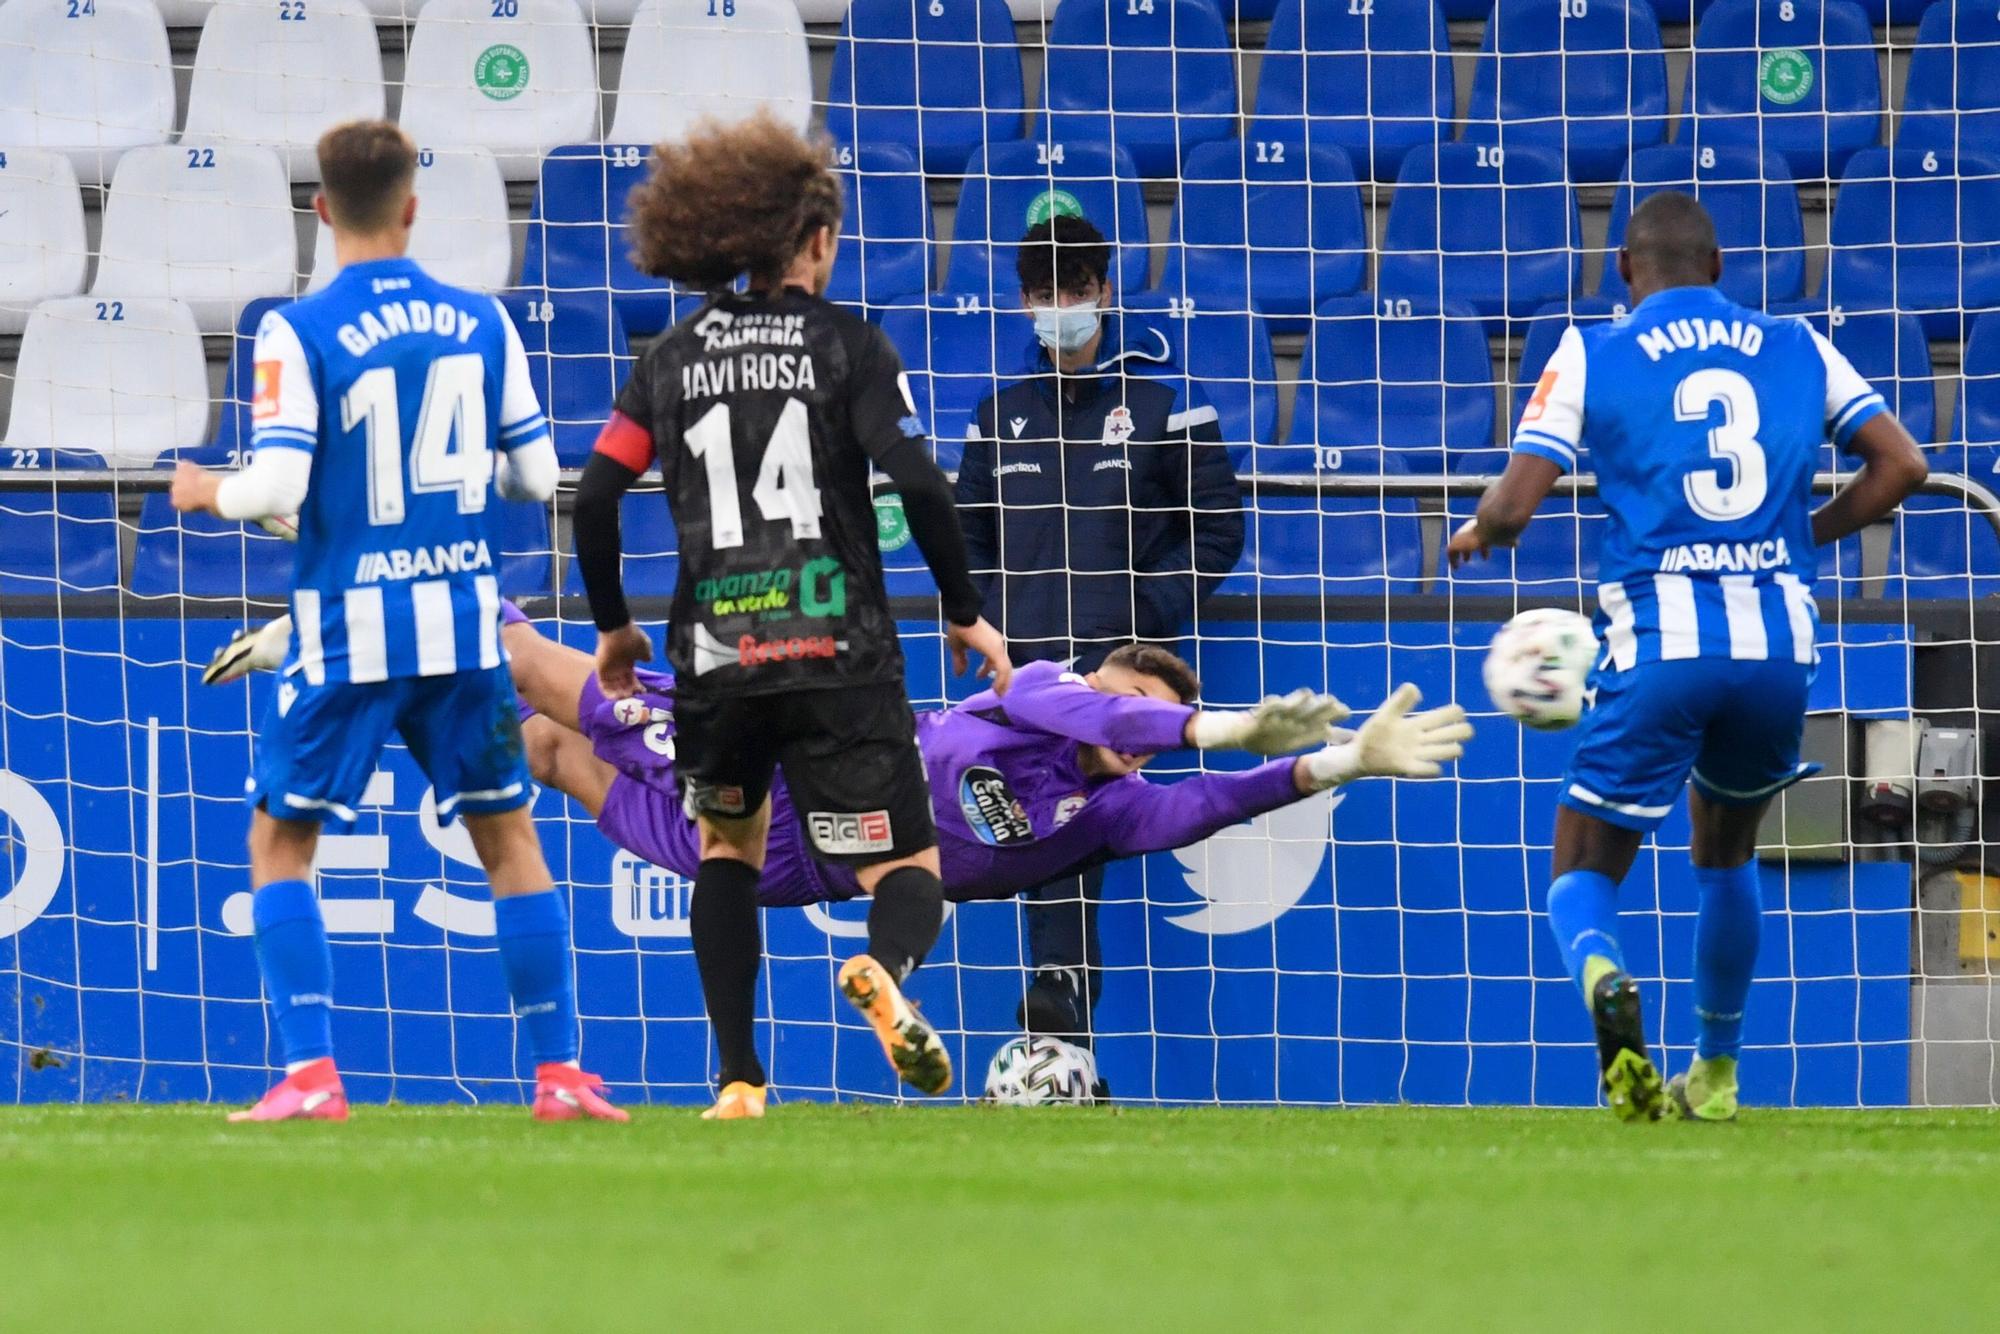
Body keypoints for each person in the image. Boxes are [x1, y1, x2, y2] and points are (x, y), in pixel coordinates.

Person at [571, 112, 1035, 1119]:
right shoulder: (849, 344)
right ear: (816, 239)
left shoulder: (673, 355)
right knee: (906, 865)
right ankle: (881, 967)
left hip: (717, 657)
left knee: (727, 851)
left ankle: (738, 1080)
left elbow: (596, 495)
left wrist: (613, 627)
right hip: (837, 647)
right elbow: (922, 482)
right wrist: (963, 609)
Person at [169, 120, 625, 1124]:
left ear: (322, 209)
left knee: (279, 840)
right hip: (462, 625)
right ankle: (559, 1077)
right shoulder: (481, 322)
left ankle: (311, 1074)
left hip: (348, 632)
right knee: (508, 836)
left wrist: (209, 491)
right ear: (412, 208)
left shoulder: (301, 328)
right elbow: (538, 477)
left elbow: (280, 481)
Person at [1447, 192, 1928, 1123]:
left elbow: (1511, 511)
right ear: (1719, 269)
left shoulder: (1594, 348)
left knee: (1582, 865)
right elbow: (1902, 465)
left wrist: (1478, 532)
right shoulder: (1798, 344)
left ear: (1625, 272)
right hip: (1778, 651)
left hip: (1664, 644)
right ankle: (1717, 1073)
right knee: (1728, 852)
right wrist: (1803, 536)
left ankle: (1605, 981)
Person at [206, 603, 1469, 954]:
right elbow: (1091, 703)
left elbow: (1207, 802)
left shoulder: (1111, 807)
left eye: (1149, 722)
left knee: (547, 728)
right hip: (782, 779)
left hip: (783, 872)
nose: (1135, 731)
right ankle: (339, 626)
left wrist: (1338, 758)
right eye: (1135, 704)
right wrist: (1227, 719)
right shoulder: (1027, 697)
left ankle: (372, 643)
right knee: (548, 703)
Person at [954, 214, 1246, 1048]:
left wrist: (1142, 619)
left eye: (1075, 290)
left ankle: (1060, 1006)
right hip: (1028, 679)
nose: (1061, 308)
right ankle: (1063, 1020)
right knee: (1047, 830)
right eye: (1045, 294)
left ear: (1103, 291)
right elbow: (967, 540)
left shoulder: (1163, 399)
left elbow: (1218, 527)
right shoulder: (995, 413)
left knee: (1070, 828)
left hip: (1119, 679)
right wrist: (980, 622)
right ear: (1024, 302)